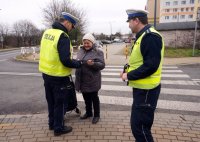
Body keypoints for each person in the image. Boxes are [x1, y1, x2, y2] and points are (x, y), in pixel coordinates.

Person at [120, 9, 165, 142]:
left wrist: (128, 76)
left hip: (147, 90)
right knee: (139, 127)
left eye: (129, 21)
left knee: (140, 128)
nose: (128, 25)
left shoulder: (150, 37)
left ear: (136, 20)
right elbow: (140, 61)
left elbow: (151, 65)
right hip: (142, 89)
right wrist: (126, 71)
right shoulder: (143, 36)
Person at [39, 12, 82, 136]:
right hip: (58, 76)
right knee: (59, 103)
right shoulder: (62, 36)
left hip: (46, 74)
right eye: (72, 26)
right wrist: (78, 64)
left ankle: (51, 123)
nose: (72, 28)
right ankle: (58, 128)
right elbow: (65, 60)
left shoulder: (47, 33)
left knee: (51, 101)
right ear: (67, 22)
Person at [75, 33, 105, 124]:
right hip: (82, 79)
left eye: (88, 43)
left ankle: (96, 115)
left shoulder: (98, 51)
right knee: (86, 97)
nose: (86, 45)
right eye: (84, 43)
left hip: (92, 79)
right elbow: (77, 60)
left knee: (94, 98)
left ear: (92, 42)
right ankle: (88, 113)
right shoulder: (80, 51)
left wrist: (93, 64)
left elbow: (102, 65)